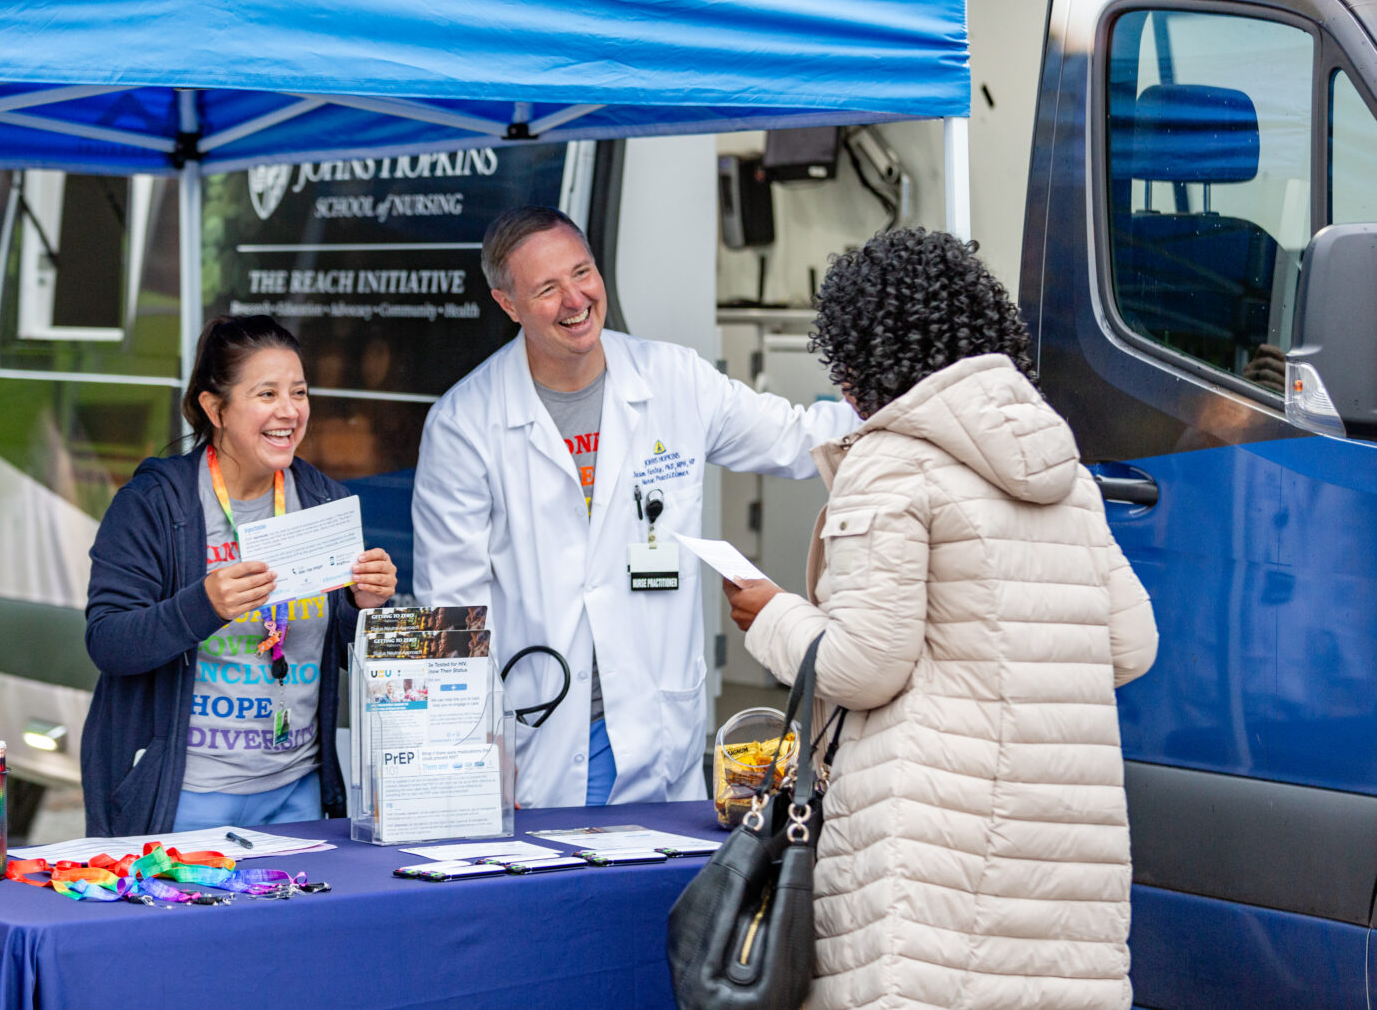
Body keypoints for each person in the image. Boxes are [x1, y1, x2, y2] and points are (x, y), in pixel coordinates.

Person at [722, 228, 1158, 1010]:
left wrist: (770, 613)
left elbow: (864, 665)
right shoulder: (1064, 471)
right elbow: (1130, 646)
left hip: (932, 846)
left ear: (864, 355)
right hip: (1063, 850)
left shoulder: (890, 463)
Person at [411, 205, 860, 809]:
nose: (576, 299)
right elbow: (454, 612)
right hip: (541, 738)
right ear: (508, 304)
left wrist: (907, 406)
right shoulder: (466, 423)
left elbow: (796, 436)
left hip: (658, 729)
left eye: (583, 272)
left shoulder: (673, 378)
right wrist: (474, 753)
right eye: (547, 288)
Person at [82, 314, 396, 837]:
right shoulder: (155, 505)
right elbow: (108, 642)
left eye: (299, 392)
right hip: (184, 796)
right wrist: (201, 605)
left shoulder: (322, 502)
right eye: (266, 394)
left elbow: (356, 658)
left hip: (298, 791)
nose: (289, 411)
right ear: (215, 408)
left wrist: (368, 607)